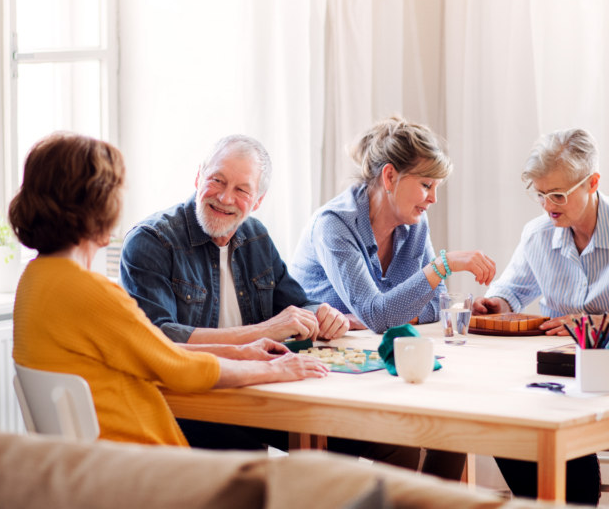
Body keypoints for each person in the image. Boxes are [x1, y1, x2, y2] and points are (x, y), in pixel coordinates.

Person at [120, 135, 425, 474]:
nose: (224, 198)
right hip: (190, 401)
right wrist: (268, 329)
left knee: (396, 442)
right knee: (264, 462)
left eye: (241, 190)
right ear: (198, 177)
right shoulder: (151, 241)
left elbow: (297, 304)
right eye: (217, 181)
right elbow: (161, 338)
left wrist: (322, 315)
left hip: (258, 388)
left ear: (258, 199)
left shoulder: (255, 236)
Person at [11, 133, 328, 448]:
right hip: (143, 458)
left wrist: (241, 352)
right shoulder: (92, 294)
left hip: (96, 460)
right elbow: (176, 367)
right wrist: (274, 369)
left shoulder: (34, 279)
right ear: (99, 207)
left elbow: (156, 354)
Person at [476, 128, 609, 505]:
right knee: (501, 416)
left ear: (592, 182)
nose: (548, 206)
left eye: (558, 194)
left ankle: (570, 500)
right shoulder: (538, 235)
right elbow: (511, 291)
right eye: (540, 194)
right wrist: (495, 304)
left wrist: (600, 324)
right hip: (557, 374)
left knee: (554, 421)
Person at [289, 116, 497, 480]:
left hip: (375, 363)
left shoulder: (414, 224)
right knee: (404, 440)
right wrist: (444, 265)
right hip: (326, 372)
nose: (433, 198)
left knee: (453, 428)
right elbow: (378, 314)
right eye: (426, 185)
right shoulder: (335, 225)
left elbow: (435, 306)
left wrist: (395, 309)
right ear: (389, 177)